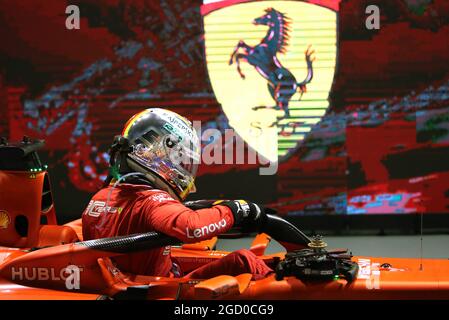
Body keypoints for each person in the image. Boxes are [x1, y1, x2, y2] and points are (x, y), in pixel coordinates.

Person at [82, 108, 272, 279]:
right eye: (177, 157)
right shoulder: (151, 201)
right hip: (165, 291)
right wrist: (237, 210)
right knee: (244, 260)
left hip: (132, 283)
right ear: (150, 152)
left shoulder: (100, 197)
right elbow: (192, 227)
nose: (180, 165)